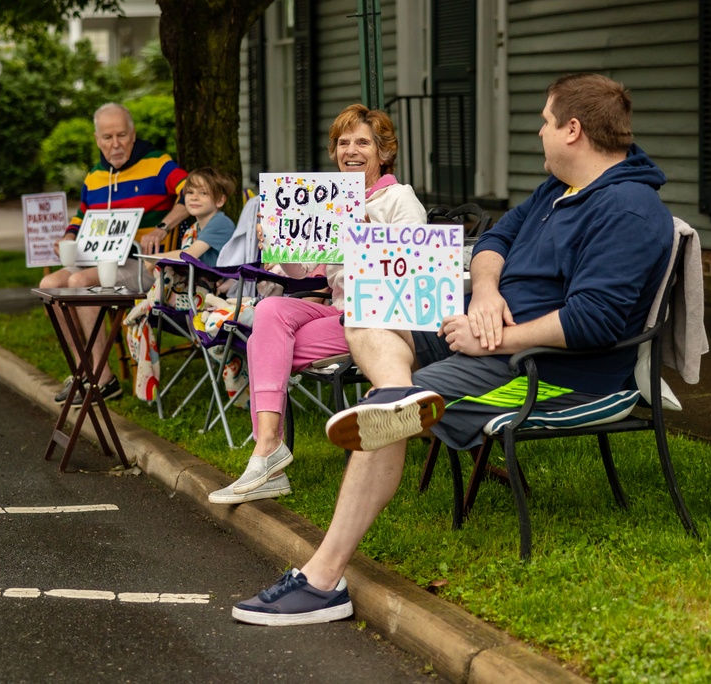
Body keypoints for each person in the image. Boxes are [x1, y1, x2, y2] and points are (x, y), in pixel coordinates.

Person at [232, 73, 674, 626]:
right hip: (487, 335)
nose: (538, 132)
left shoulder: (629, 212)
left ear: (573, 131)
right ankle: (397, 396)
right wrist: (486, 292)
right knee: (372, 312)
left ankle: (322, 580)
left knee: (379, 420)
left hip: (550, 369)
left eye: (544, 120)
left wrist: (494, 335)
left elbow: (595, 320)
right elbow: (493, 241)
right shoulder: (557, 191)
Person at [208, 104, 427, 505]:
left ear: (384, 152)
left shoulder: (398, 199)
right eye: (343, 143)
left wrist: (362, 233)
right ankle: (269, 444)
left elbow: (412, 271)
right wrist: (275, 240)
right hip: (337, 311)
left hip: (377, 321)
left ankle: (267, 453)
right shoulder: (328, 201)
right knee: (270, 312)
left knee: (266, 343)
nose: (351, 150)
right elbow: (298, 271)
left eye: (362, 142)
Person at [41, 102, 190, 404]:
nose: (116, 144)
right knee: (48, 286)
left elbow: (193, 193)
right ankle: (84, 371)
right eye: (107, 138)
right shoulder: (94, 177)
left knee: (77, 283)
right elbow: (81, 216)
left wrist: (163, 226)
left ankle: (102, 378)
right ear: (97, 140)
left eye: (122, 135)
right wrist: (67, 237)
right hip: (100, 259)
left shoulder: (158, 164)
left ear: (133, 135)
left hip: (143, 266)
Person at [124, 167, 237, 400]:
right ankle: (149, 306)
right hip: (197, 295)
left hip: (216, 299)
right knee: (163, 280)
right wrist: (157, 263)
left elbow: (189, 256)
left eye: (203, 193)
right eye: (190, 192)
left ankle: (147, 307)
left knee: (160, 288)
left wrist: (155, 260)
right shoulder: (194, 227)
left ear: (220, 200)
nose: (194, 197)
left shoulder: (220, 223)